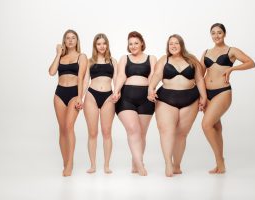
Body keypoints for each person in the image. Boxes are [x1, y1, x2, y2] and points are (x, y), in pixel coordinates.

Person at [148, 34, 207, 177]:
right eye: (170, 44)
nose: (173, 46)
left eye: (176, 43)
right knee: (166, 131)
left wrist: (204, 97)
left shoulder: (192, 60)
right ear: (168, 47)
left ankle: (177, 165)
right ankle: (168, 163)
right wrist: (151, 88)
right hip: (166, 99)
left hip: (190, 99)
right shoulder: (164, 59)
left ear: (181, 45)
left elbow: (199, 79)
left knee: (181, 134)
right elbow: (156, 75)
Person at [200, 23, 255, 174]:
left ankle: (220, 161)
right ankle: (220, 163)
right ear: (210, 35)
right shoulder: (206, 52)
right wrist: (200, 95)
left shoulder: (231, 50)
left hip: (222, 92)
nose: (216, 36)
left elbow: (251, 63)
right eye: (213, 33)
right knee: (215, 127)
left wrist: (232, 68)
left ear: (224, 34)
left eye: (219, 33)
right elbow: (199, 74)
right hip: (207, 93)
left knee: (206, 125)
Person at [112, 31, 157, 176]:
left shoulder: (152, 58)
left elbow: (153, 77)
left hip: (146, 99)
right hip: (126, 98)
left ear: (142, 43)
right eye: (130, 43)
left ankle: (136, 161)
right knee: (133, 130)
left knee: (142, 134)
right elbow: (121, 75)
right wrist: (116, 91)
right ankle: (140, 164)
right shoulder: (124, 58)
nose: (133, 46)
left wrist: (151, 91)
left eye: (136, 43)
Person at [48, 29, 87, 176]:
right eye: (68, 38)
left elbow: (82, 78)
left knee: (69, 127)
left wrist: (79, 97)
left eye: (73, 38)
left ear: (77, 41)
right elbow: (51, 72)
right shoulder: (61, 57)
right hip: (59, 94)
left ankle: (70, 163)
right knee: (62, 129)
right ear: (64, 41)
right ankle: (65, 161)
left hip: (73, 94)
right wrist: (58, 53)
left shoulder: (81, 57)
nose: (70, 40)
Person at [82, 33, 117, 174]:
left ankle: (106, 165)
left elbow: (116, 79)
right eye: (98, 44)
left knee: (107, 132)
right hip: (91, 96)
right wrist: (80, 97)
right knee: (92, 133)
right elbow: (85, 81)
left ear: (107, 45)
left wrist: (117, 92)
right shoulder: (90, 61)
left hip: (108, 97)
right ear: (95, 46)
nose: (101, 46)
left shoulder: (113, 61)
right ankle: (93, 165)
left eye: (104, 43)